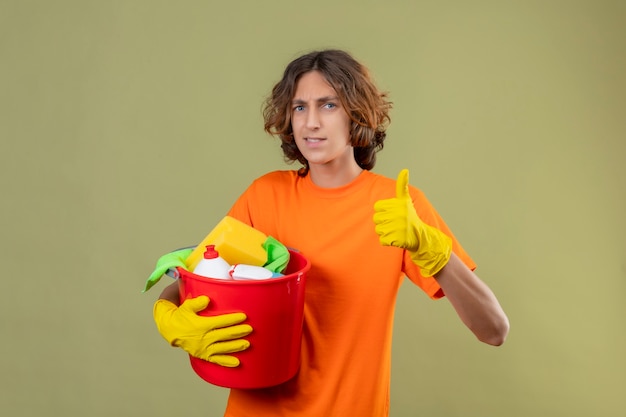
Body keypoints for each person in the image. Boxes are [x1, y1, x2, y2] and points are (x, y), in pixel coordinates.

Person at [152, 49, 509, 417]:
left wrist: (432, 251)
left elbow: (494, 329)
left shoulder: (398, 206)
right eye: (300, 108)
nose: (311, 123)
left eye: (328, 105)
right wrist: (168, 314)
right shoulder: (264, 196)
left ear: (357, 114)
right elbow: (193, 278)